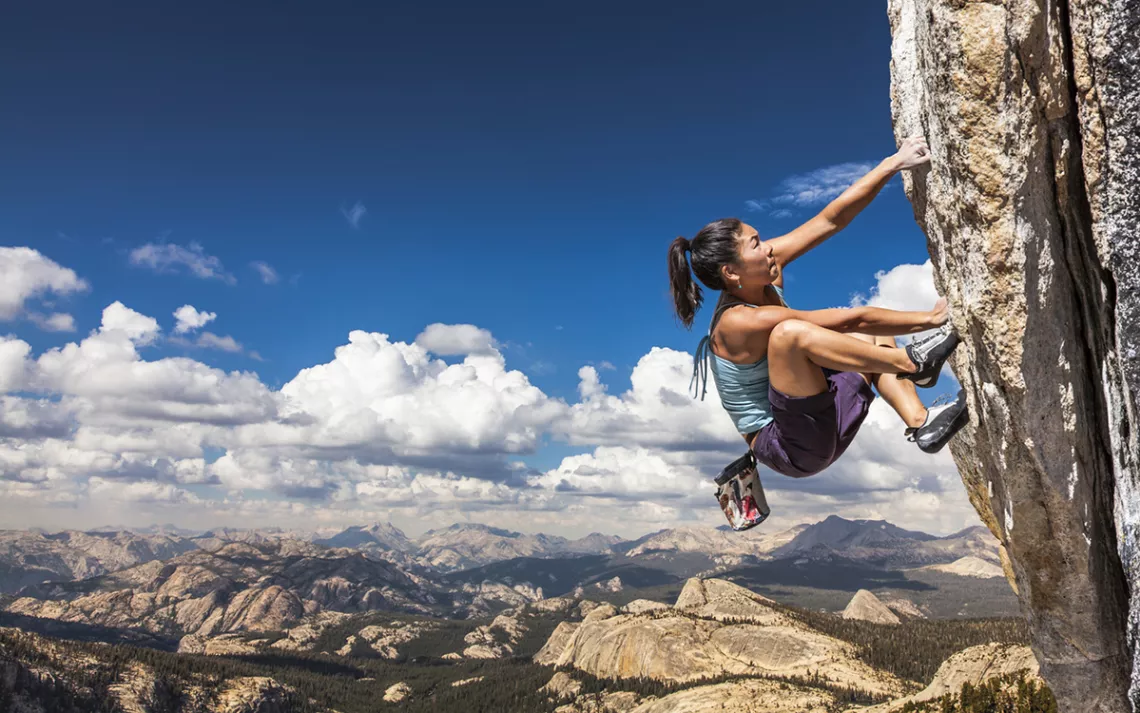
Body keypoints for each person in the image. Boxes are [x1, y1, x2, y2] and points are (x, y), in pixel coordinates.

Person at [667, 137, 968, 479]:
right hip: (790, 446)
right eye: (755, 244)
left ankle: (922, 422)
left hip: (821, 412)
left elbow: (830, 220)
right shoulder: (736, 323)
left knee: (867, 336)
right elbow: (846, 319)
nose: (767, 248)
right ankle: (912, 363)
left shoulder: (764, 270)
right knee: (790, 335)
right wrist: (931, 319)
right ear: (732, 272)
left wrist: (892, 164)